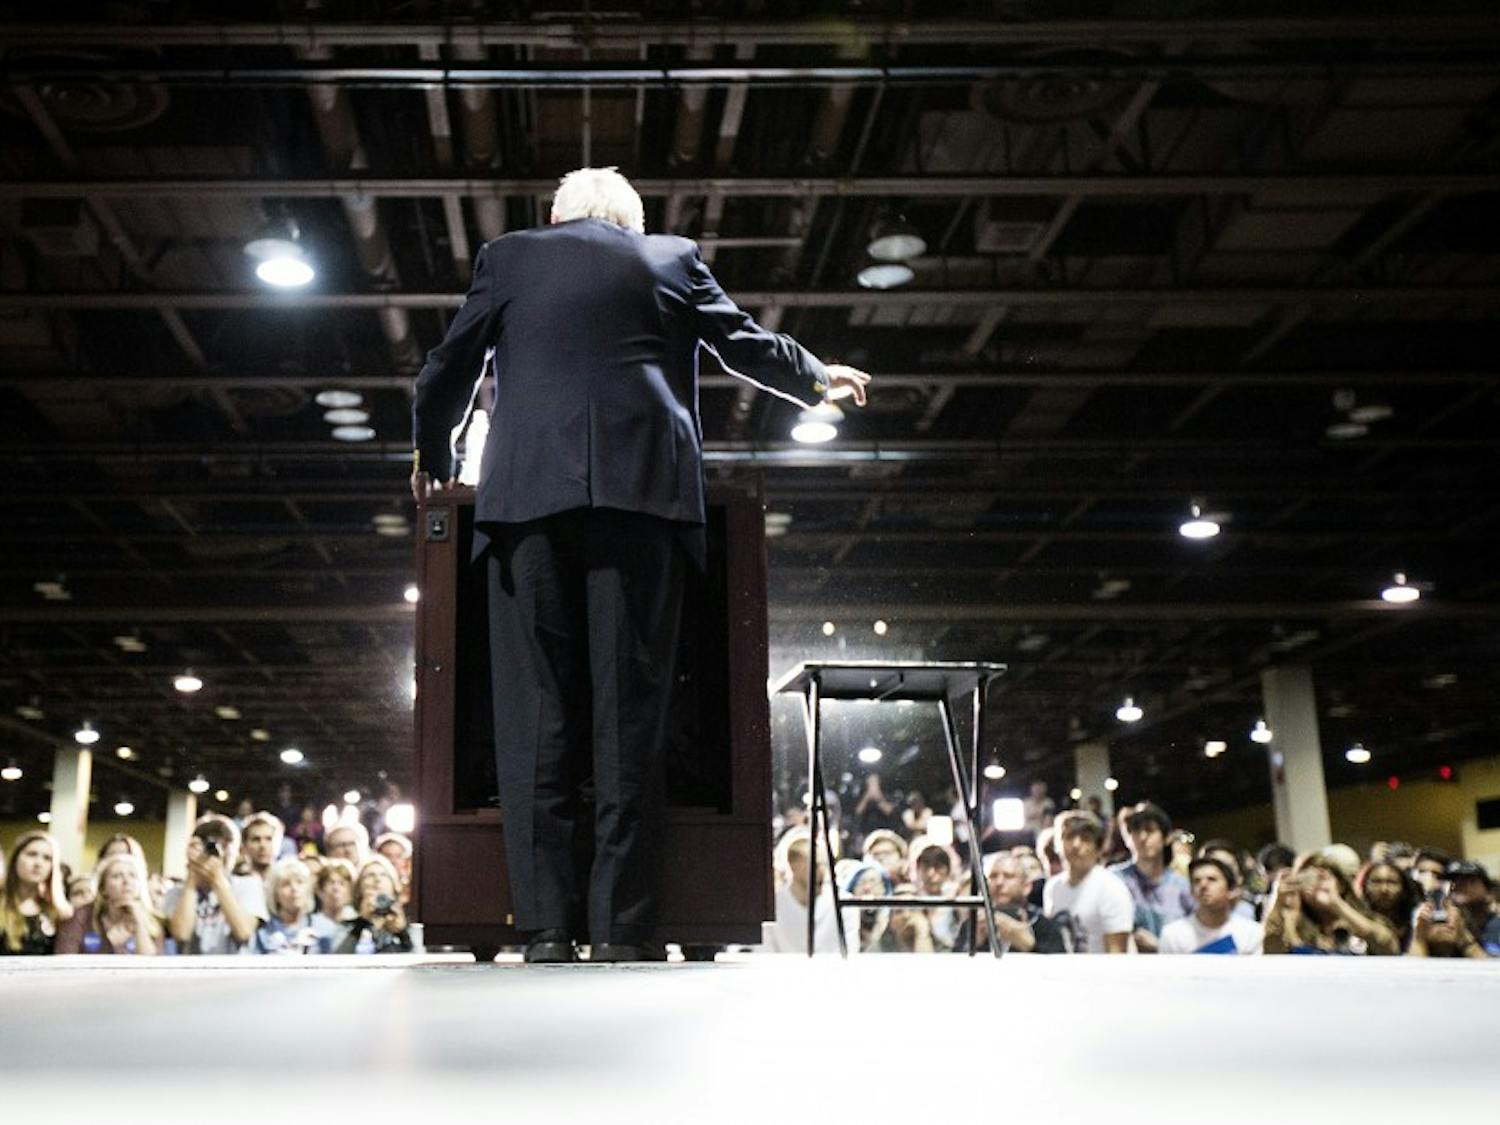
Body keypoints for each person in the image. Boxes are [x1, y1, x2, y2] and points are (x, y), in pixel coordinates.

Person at [411, 166, 870, 965]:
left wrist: (433, 450)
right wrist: (813, 378)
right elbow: (741, 343)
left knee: (536, 720)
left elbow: (448, 366)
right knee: (629, 715)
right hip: (641, 499)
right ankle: (625, 928)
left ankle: (547, 929)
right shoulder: (671, 258)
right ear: (632, 222)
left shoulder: (509, 257)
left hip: (528, 505)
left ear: (555, 216)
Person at [163, 814, 269, 954]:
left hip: (234, 973)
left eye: (224, 846)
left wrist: (217, 879)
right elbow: (182, 935)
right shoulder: (176, 892)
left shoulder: (248, 885)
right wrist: (192, 877)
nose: (219, 853)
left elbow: (244, 932)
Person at [1262, 852, 1400, 956]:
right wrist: (1280, 905)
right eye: (1308, 879)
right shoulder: (1292, 924)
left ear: (1342, 885)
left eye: (1322, 878)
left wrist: (1336, 904)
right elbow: (1271, 952)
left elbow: (1388, 947)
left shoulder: (1367, 921)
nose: (1316, 885)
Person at [1108, 801, 1194, 953]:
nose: (1142, 837)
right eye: (1135, 831)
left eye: (1150, 830)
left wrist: (1159, 946)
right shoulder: (1114, 879)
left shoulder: (1183, 886)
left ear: (1167, 837)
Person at [1043, 811, 1133, 953]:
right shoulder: (1052, 887)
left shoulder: (1111, 888)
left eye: (1085, 839)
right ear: (1057, 844)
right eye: (1069, 837)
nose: (1076, 844)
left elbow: (1117, 954)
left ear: (1098, 848)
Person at [760, 828, 851, 954]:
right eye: (815, 865)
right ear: (793, 865)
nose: (822, 872)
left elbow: (849, 950)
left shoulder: (845, 905)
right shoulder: (771, 906)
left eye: (825, 865)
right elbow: (765, 952)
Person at [955, 851, 1067, 954]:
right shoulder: (971, 925)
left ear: (1026, 886)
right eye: (993, 876)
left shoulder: (1043, 925)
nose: (999, 882)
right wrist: (973, 945)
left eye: (1008, 876)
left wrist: (1031, 946)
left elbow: (1061, 968)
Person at [57, 853, 161, 955]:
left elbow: (151, 964)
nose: (126, 881)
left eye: (133, 876)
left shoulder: (152, 920)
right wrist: (109, 942)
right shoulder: (80, 916)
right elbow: (64, 959)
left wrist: (139, 923)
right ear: (102, 888)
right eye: (117, 876)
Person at [1158, 857, 1262, 955]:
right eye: (1196, 881)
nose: (1203, 885)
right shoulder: (1173, 935)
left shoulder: (1251, 933)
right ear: (1191, 891)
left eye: (1212, 879)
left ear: (1231, 890)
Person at [1, 830, 72, 955]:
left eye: (47, 858)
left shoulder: (58, 911)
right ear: (15, 859)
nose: (38, 863)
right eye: (32, 854)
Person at [249, 858, 331, 954]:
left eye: (300, 882)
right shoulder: (262, 935)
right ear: (275, 894)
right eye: (286, 884)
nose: (294, 888)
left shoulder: (326, 929)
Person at [1354, 859, 1421, 952]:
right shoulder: (1355, 920)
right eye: (1376, 882)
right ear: (1366, 887)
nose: (1384, 889)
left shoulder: (1415, 924)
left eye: (1392, 882)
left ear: (1404, 890)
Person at [240, 811, 285, 887]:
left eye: (269, 839)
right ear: (244, 845)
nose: (263, 845)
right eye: (256, 839)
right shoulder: (234, 880)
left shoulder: (285, 880)